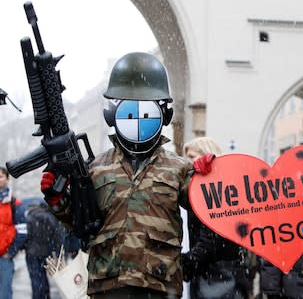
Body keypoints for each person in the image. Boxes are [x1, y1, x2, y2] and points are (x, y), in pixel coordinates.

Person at [40, 52, 210, 298]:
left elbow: (210, 209)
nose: (139, 120)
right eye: (130, 110)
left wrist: (213, 177)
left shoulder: (179, 168)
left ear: (165, 116)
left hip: (159, 284)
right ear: (112, 115)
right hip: (108, 285)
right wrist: (56, 199)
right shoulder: (95, 168)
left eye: (147, 110)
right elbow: (79, 222)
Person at [182, 137, 250, 299]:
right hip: (217, 271)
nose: (187, 162)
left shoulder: (215, 187)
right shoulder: (204, 185)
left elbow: (211, 236)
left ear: (207, 154)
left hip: (217, 273)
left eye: (192, 157)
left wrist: (188, 262)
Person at [25, 201, 64, 299]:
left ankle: (37, 297)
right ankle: (46, 296)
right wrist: (58, 251)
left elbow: (26, 235)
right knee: (44, 278)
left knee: (36, 279)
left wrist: (24, 246)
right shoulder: (50, 217)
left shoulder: (31, 217)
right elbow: (57, 236)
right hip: (46, 252)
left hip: (32, 253)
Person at [0, 167, 27, 299]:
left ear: (7, 179)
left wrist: (11, 252)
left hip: (4, 258)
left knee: (4, 294)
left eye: (0, 177)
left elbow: (22, 231)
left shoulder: (14, 203)